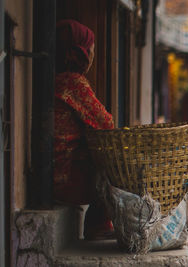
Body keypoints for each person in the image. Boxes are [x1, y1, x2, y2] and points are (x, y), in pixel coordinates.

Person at [54, 19, 114, 240]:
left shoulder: (57, 79)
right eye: (91, 49)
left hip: (54, 170)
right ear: (80, 52)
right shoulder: (73, 82)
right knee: (114, 159)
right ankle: (98, 224)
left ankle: (98, 223)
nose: (92, 54)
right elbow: (106, 123)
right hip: (66, 178)